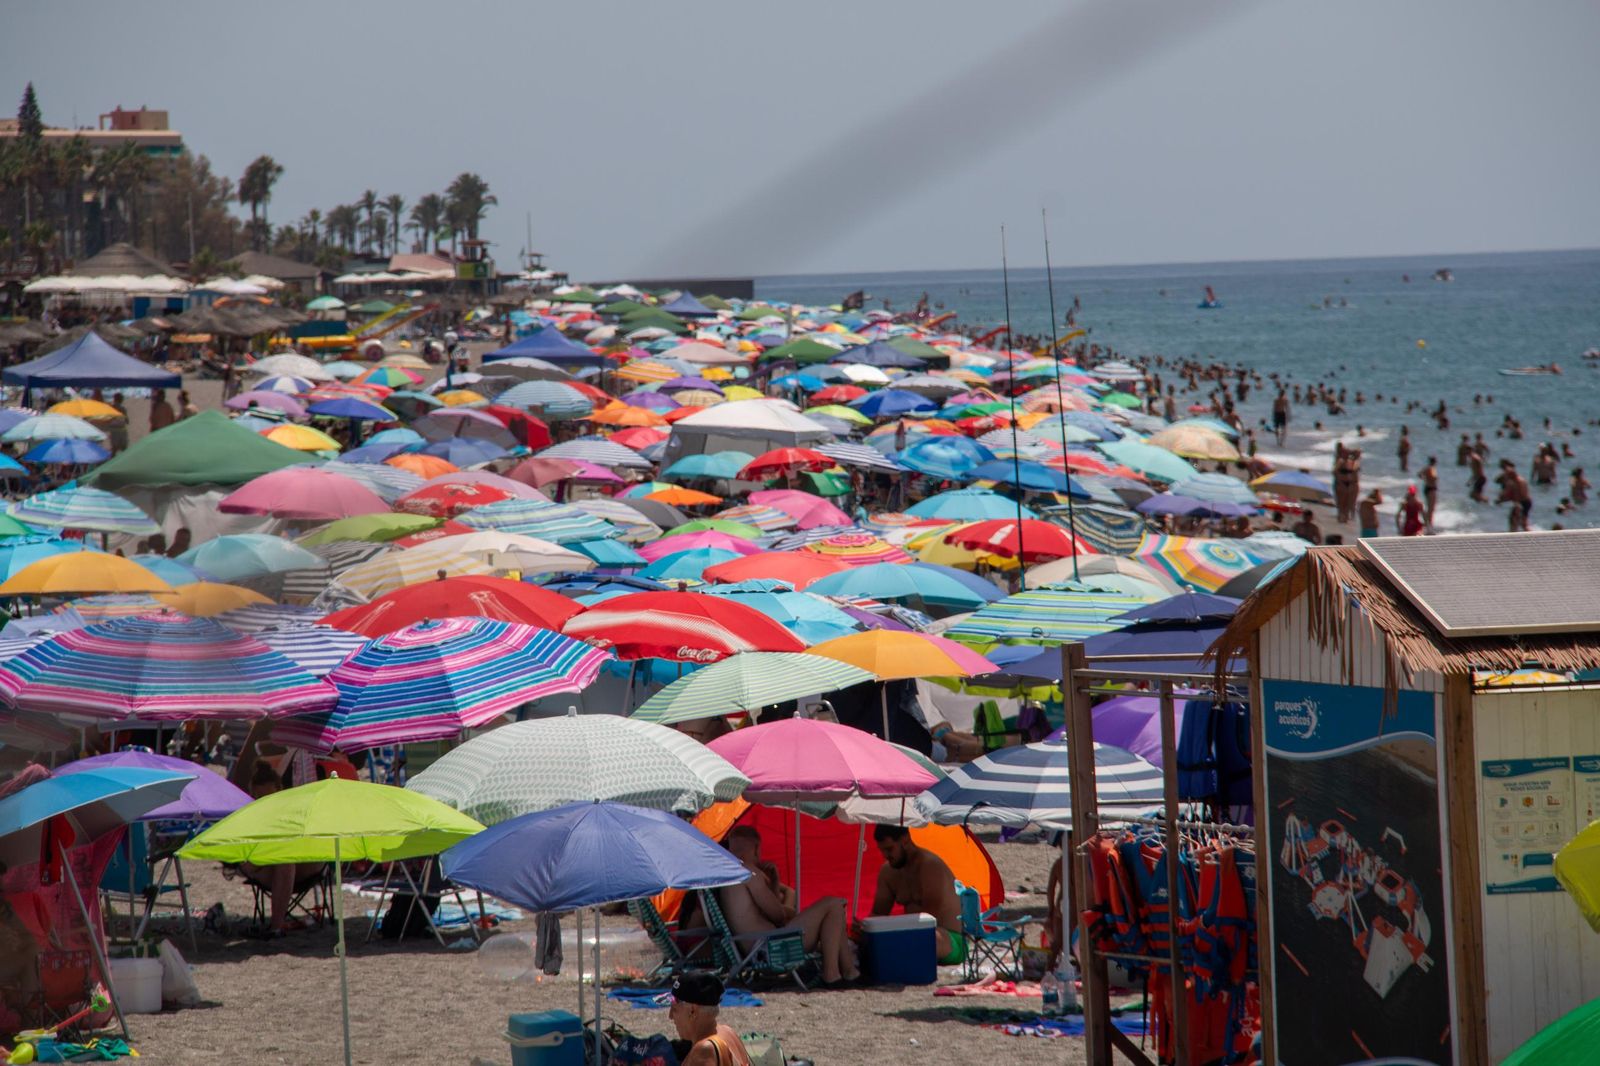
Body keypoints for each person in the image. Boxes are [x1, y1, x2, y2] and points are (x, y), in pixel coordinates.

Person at [719, 827, 858, 985]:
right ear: (757, 849)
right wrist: (774, 883)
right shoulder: (748, 873)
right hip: (772, 949)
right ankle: (833, 974)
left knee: (835, 907)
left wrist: (774, 883)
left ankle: (849, 972)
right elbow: (779, 915)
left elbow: (764, 914)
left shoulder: (728, 875)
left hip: (757, 949)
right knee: (833, 903)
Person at [865, 825, 964, 966]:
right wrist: (865, 927)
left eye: (889, 849)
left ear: (905, 840)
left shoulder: (929, 866)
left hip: (950, 939)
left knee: (926, 938)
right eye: (881, 850)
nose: (885, 855)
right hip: (913, 934)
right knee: (867, 936)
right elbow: (878, 914)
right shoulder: (888, 871)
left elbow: (929, 919)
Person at [669, 973, 751, 1066]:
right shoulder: (728, 1032)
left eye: (674, 1009)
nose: (670, 1016)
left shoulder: (705, 1050)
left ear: (692, 1011)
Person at [1419, 456, 1439, 530]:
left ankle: (1428, 523)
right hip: (1431, 489)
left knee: (1429, 507)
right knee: (1431, 508)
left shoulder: (1426, 468)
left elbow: (1419, 474)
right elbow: (1433, 477)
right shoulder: (1431, 468)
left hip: (1427, 488)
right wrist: (1431, 479)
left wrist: (1425, 479)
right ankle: (1429, 524)